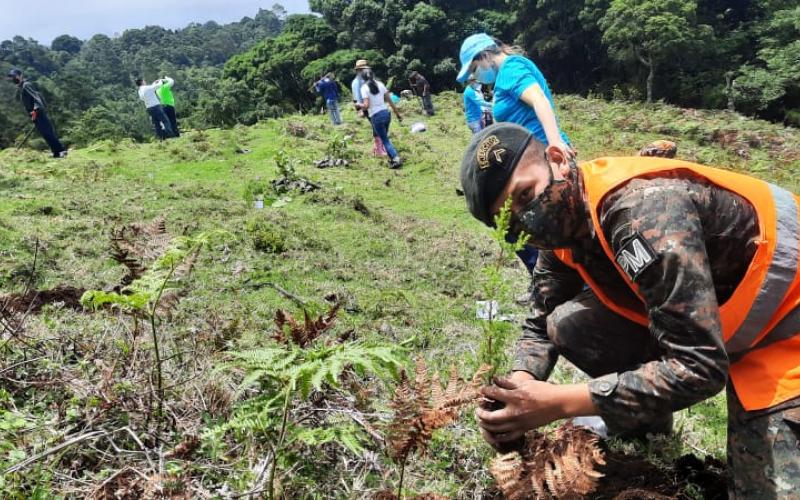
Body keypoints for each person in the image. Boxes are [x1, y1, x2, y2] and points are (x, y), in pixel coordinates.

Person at [460, 122, 800, 498]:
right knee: (570, 325)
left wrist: (558, 403)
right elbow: (541, 319)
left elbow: (700, 368)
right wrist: (522, 382)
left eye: (526, 196)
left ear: (557, 159)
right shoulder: (562, 229)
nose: (528, 221)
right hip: (718, 329)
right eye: (510, 222)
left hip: (786, 332)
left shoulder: (643, 210)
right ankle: (645, 422)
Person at [457, 33, 573, 159]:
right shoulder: (502, 76)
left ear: (485, 55)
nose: (475, 76)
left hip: (543, 152)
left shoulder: (511, 68)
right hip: (529, 155)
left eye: (474, 69)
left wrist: (555, 144)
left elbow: (539, 99)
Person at [6, 68, 67, 158]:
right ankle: (56, 152)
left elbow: (36, 98)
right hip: (35, 115)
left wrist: (35, 111)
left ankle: (61, 151)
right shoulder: (22, 87)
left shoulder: (26, 85)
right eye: (11, 77)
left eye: (14, 76)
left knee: (48, 132)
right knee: (45, 133)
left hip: (38, 113)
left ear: (20, 76)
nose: (13, 78)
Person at [358, 70, 403, 168]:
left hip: (376, 116)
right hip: (386, 114)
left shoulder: (364, 88)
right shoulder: (380, 84)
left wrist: (358, 104)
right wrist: (398, 114)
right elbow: (390, 101)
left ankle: (396, 159)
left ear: (363, 78)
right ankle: (392, 159)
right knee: (385, 138)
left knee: (385, 140)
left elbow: (366, 105)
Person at [351, 60, 386, 157]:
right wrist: (361, 110)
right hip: (366, 106)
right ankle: (378, 150)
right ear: (360, 70)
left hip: (372, 105)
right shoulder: (357, 82)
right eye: (364, 69)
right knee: (377, 126)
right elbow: (358, 98)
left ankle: (377, 148)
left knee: (378, 126)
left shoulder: (363, 79)